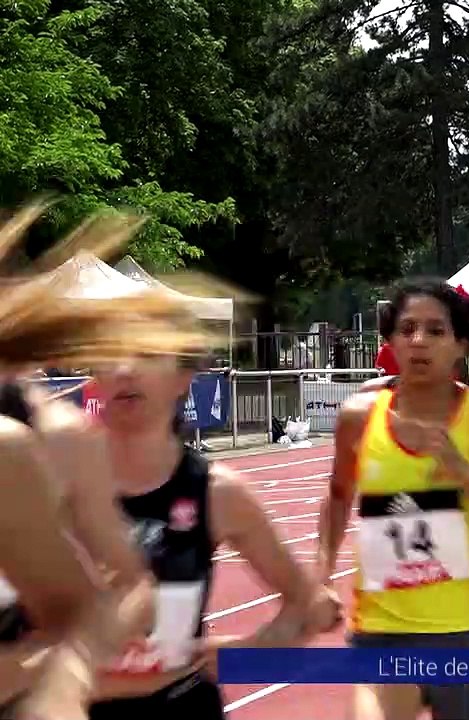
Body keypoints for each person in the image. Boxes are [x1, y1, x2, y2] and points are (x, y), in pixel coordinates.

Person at [0, 204, 216, 720]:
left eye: (145, 356)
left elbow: (123, 588)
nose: (125, 372)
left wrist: (56, 685)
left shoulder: (43, 441)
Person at [318, 278, 469, 720]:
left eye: (435, 330)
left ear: (462, 344)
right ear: (389, 341)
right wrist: (320, 574)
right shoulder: (357, 418)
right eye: (407, 330)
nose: (419, 341)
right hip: (381, 630)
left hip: (466, 634)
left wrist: (467, 476)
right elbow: (336, 497)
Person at [88, 343, 342, 719]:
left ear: (184, 376)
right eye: (111, 356)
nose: (126, 369)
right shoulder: (51, 483)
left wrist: (248, 654)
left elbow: (312, 607)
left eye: (147, 354)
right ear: (94, 378)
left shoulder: (216, 492)